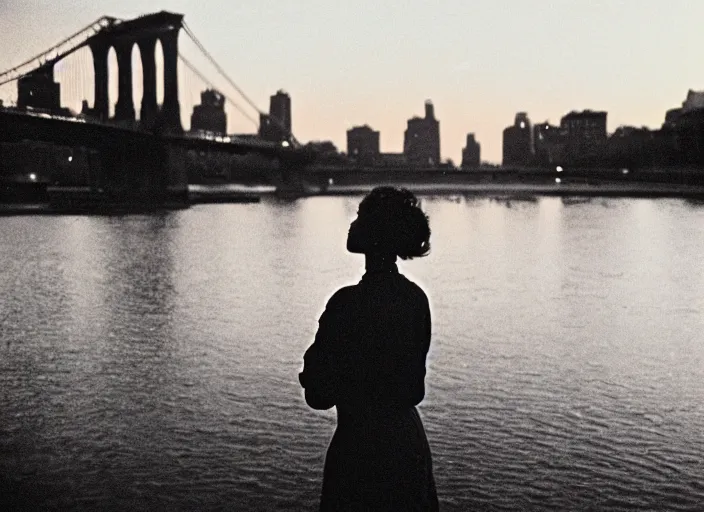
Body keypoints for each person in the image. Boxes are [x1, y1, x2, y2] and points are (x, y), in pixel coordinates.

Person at [299, 186, 439, 511]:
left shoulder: (347, 303)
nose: (352, 223)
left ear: (375, 233)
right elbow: (413, 390)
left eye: (361, 216)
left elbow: (317, 396)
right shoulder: (415, 299)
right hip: (407, 447)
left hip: (358, 450)